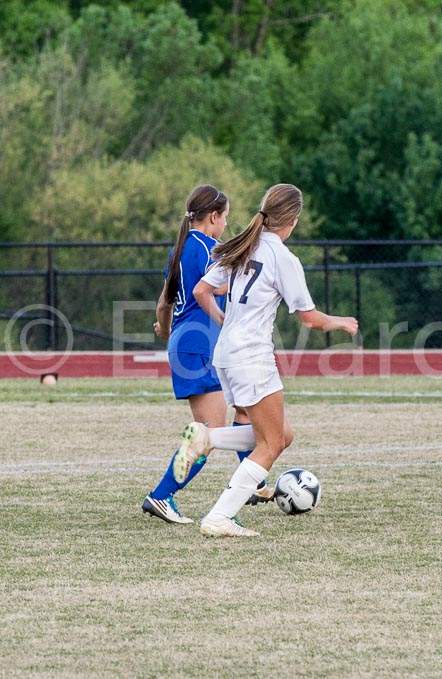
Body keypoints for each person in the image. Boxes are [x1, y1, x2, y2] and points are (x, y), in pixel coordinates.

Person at [171, 183, 359, 537]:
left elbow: (201, 291)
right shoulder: (281, 257)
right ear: (294, 220)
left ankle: (206, 439)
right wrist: (341, 322)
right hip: (251, 358)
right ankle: (219, 517)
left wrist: (226, 322)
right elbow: (308, 318)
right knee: (270, 444)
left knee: (281, 434)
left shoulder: (243, 247)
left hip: (226, 355)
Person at [142, 185, 265, 524]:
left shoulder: (179, 249)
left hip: (187, 343)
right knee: (208, 432)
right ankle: (161, 495)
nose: (226, 224)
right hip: (200, 344)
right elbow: (230, 287)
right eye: (225, 218)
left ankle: (255, 481)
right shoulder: (211, 248)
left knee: (243, 409)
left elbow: (164, 303)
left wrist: (167, 335)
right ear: (213, 217)